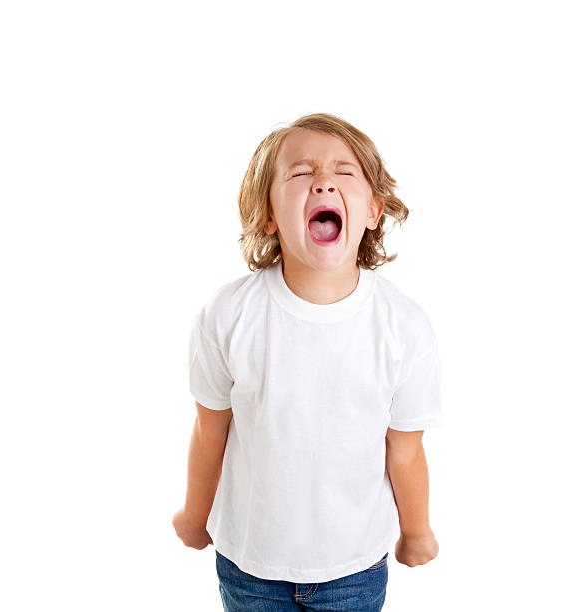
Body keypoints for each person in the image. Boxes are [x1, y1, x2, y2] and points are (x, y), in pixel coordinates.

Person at [173, 112, 443, 611]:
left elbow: (404, 451)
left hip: (354, 570)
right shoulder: (230, 315)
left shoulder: (403, 327)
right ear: (270, 213)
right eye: (299, 174)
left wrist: (417, 532)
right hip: (250, 567)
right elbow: (210, 428)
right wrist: (195, 514)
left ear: (373, 210)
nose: (323, 182)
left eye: (345, 173)